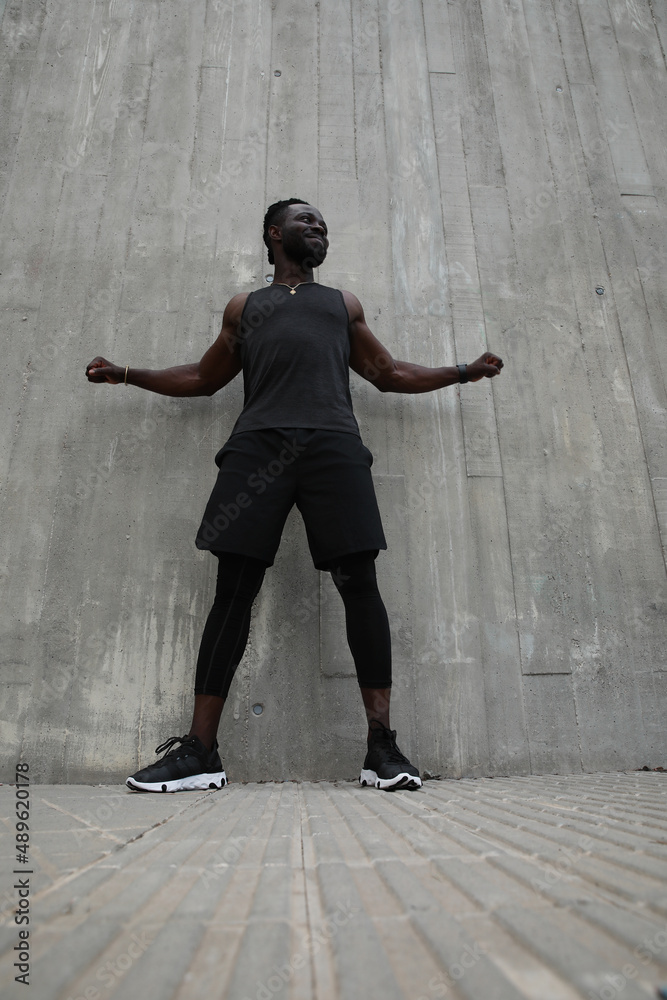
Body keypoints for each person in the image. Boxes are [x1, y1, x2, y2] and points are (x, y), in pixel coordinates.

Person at [86, 198, 503, 794]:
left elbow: (389, 374)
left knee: (359, 583)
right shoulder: (246, 308)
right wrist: (127, 373)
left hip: (334, 445)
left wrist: (462, 371)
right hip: (257, 447)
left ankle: (381, 747)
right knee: (233, 590)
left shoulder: (341, 304)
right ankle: (201, 751)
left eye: (325, 223)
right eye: (308, 220)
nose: (321, 227)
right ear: (274, 233)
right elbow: (203, 380)